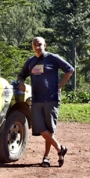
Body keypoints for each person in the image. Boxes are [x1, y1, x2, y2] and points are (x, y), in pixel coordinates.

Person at [17, 37, 74, 167]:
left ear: (45, 45)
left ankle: (46, 157)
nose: (37, 47)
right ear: (32, 47)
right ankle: (60, 149)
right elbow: (21, 75)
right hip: (36, 99)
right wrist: (21, 82)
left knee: (49, 129)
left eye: (40, 44)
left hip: (51, 99)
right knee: (41, 129)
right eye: (34, 45)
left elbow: (69, 70)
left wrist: (60, 87)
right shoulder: (30, 61)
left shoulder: (53, 58)